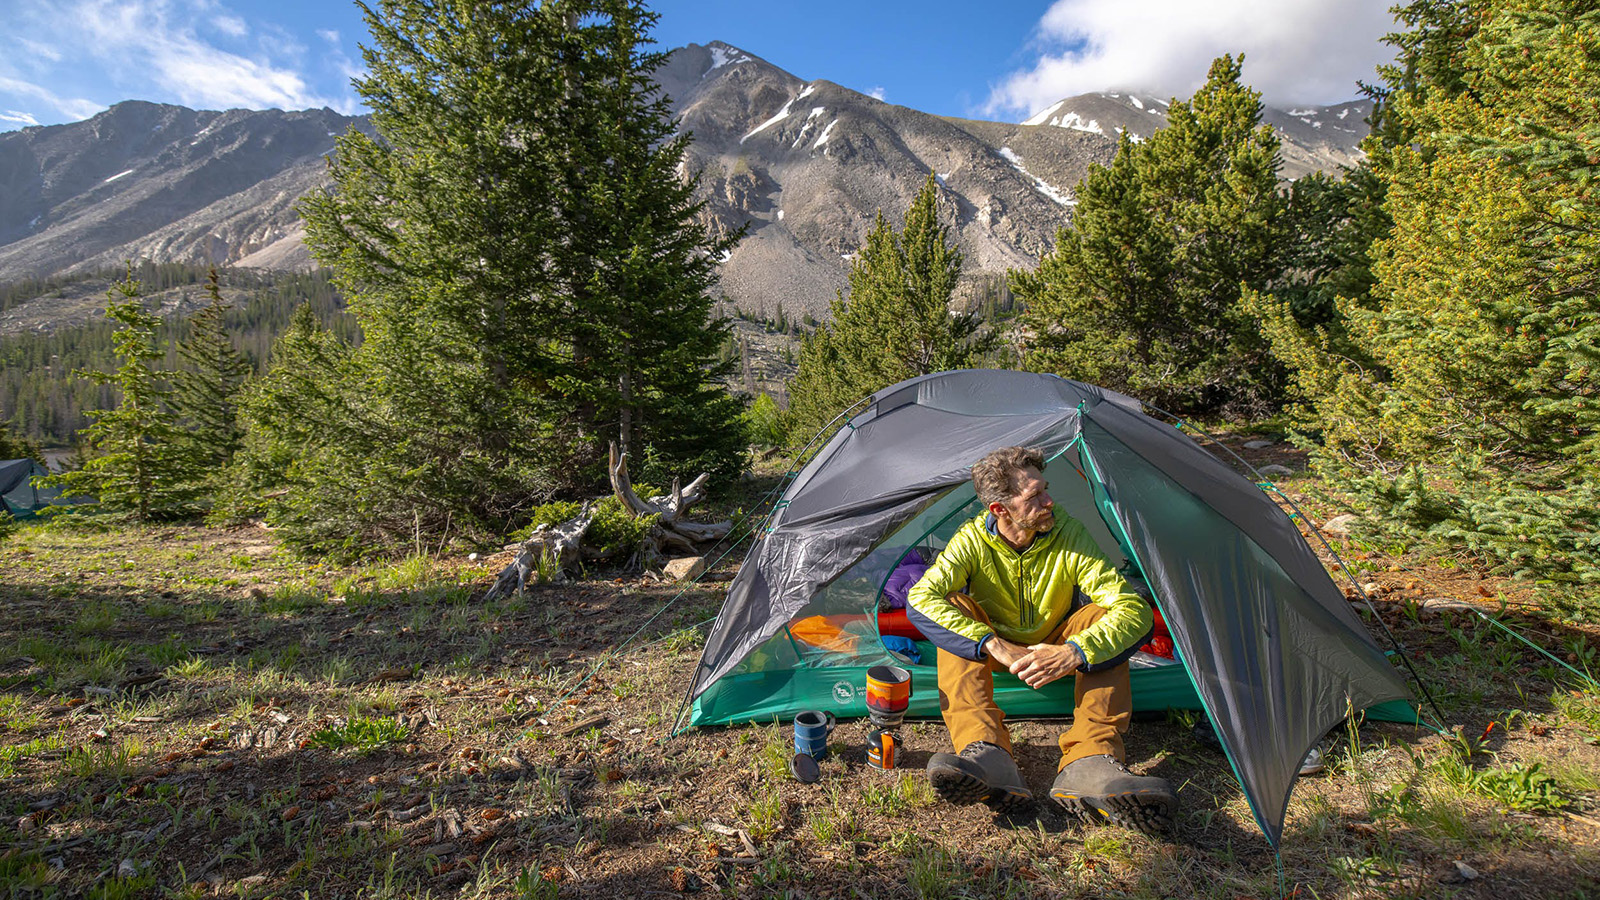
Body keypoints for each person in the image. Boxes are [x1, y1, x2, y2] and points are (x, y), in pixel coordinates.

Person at [906, 446, 1178, 834]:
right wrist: (993, 643)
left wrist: (1074, 651)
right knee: (952, 605)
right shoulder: (971, 540)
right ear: (1000, 509)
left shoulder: (1068, 532)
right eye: (1034, 496)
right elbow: (920, 598)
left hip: (1056, 644)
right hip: (998, 649)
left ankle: (1091, 760)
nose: (1049, 501)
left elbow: (1132, 610)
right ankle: (986, 754)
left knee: (1104, 615)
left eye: (1045, 489)